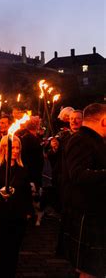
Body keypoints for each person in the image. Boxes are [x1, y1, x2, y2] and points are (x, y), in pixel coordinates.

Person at [63, 103, 106, 278]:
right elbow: (78, 175)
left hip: (96, 212)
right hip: (88, 213)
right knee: (90, 271)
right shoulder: (81, 139)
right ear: (104, 121)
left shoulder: (95, 140)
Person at [0, 135, 32, 278]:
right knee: (4, 251)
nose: (16, 150)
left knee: (14, 252)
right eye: (12, 147)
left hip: (18, 216)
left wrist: (28, 211)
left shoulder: (23, 168)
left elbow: (26, 193)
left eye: (18, 148)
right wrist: (1, 192)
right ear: (3, 148)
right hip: (2, 214)